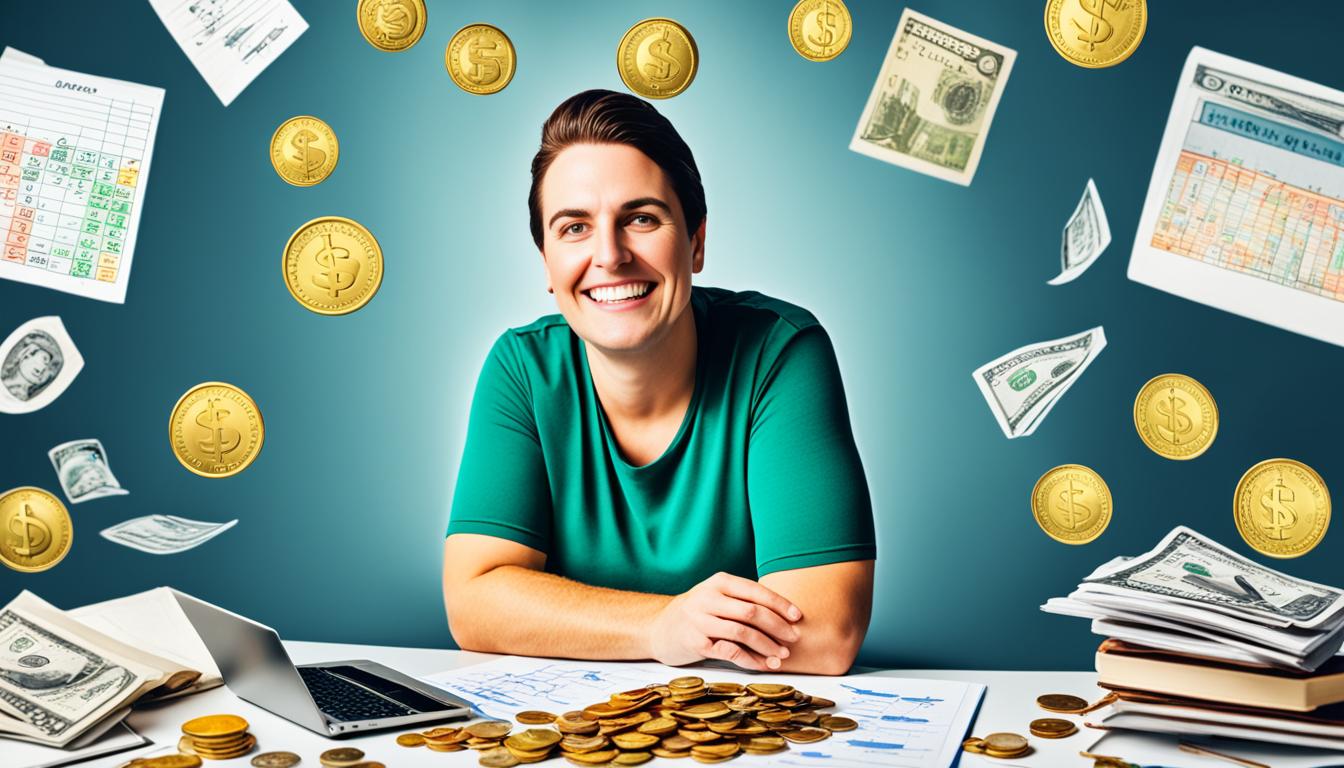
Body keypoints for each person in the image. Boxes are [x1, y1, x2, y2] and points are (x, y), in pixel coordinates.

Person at [442, 89, 875, 675]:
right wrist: (660, 624)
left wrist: (593, 621)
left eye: (641, 218)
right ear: (545, 262)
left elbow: (825, 632)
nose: (610, 255)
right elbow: (473, 604)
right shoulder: (522, 370)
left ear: (695, 241)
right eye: (573, 228)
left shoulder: (780, 352)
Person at [2, 331, 62, 402]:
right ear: (27, 353)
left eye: (51, 369)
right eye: (44, 359)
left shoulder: (21, 401)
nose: (44, 368)